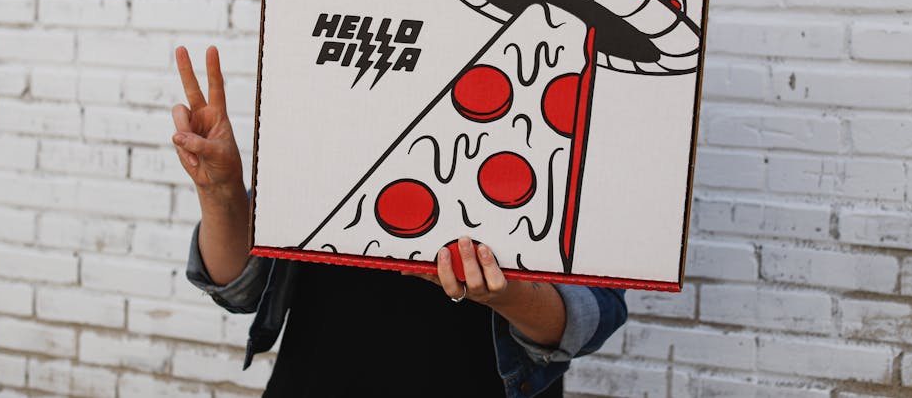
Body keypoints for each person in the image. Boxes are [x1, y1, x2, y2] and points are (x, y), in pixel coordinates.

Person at [173, 45, 627, 397]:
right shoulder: (338, 95)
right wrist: (222, 193)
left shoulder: (569, 116)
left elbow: (593, 317)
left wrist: (507, 295)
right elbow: (238, 288)